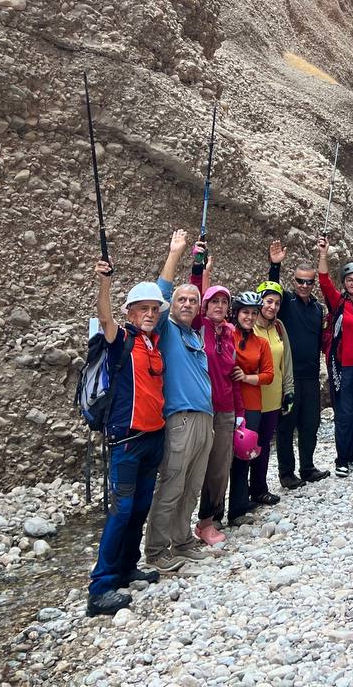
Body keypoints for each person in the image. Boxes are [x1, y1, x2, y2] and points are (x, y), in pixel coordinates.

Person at [86, 262, 166, 616]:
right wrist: (105, 284)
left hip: (152, 437)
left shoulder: (153, 342)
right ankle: (100, 588)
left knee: (139, 508)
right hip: (126, 441)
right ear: (130, 313)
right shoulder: (123, 341)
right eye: (143, 309)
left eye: (153, 309)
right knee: (120, 512)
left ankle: (126, 567)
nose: (150, 313)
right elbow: (104, 319)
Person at [143, 230, 214, 574]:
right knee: (172, 483)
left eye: (193, 301)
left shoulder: (195, 335)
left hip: (204, 419)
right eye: (183, 300)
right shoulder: (167, 330)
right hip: (181, 419)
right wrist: (176, 253)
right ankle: (156, 550)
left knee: (191, 485)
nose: (187, 304)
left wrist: (201, 267)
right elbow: (159, 295)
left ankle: (182, 540)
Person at [188, 244, 242, 545]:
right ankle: (181, 522)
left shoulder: (229, 333)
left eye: (224, 302)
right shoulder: (199, 328)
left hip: (224, 410)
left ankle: (208, 521)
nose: (219, 306)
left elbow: (232, 376)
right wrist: (199, 268)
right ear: (205, 307)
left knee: (219, 468)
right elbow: (194, 295)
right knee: (191, 467)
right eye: (214, 302)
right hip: (200, 409)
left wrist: (239, 414)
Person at [267, 239, 330, 487]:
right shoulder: (286, 304)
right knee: (287, 425)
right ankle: (285, 473)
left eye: (309, 281)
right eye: (300, 281)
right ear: (294, 282)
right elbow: (271, 292)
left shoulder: (317, 309)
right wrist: (275, 266)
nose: (304, 285)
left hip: (312, 376)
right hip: (288, 378)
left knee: (310, 424)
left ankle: (307, 467)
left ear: (313, 283)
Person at [317, 237, 353, 477]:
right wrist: (323, 254)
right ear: (344, 283)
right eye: (350, 280)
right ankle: (341, 458)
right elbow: (323, 281)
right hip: (342, 368)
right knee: (344, 413)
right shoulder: (337, 302)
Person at [227, 291, 275, 524]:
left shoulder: (261, 343)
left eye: (253, 313)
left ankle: (237, 507)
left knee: (244, 455)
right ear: (236, 313)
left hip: (252, 404)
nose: (250, 316)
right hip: (228, 403)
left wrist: (246, 377)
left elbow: (268, 375)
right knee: (224, 458)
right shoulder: (227, 335)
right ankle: (216, 512)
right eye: (246, 312)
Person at [249, 280, 294, 506]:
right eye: (269, 301)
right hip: (251, 398)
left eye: (276, 303)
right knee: (246, 446)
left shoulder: (279, 327)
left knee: (264, 444)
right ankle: (238, 496)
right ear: (260, 301)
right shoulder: (248, 326)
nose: (272, 307)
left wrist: (289, 390)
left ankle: (259, 489)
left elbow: (285, 361)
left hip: (273, 396)